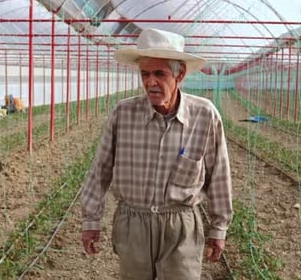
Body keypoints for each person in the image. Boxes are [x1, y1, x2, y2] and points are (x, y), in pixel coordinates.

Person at [81, 28, 233, 280]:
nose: (150, 82)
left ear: (180, 74)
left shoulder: (204, 115)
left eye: (159, 74)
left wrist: (219, 227)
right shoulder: (123, 114)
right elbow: (100, 170)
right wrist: (90, 221)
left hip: (181, 227)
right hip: (133, 225)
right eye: (145, 74)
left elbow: (219, 175)